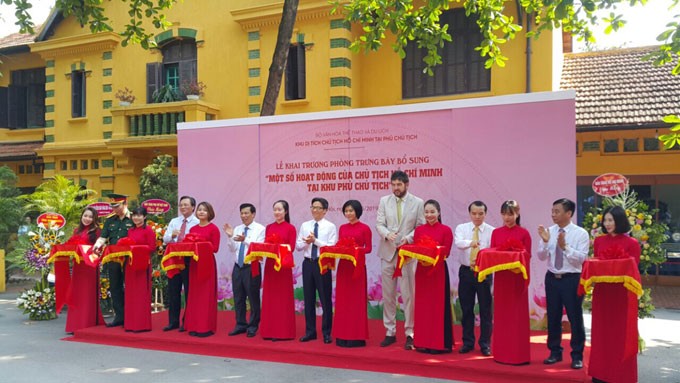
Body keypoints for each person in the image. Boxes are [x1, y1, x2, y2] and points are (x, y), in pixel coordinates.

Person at [589, 205, 641, 383]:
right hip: (602, 294)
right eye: (605, 220)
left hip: (622, 297)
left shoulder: (632, 244)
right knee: (601, 335)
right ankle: (600, 374)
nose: (607, 223)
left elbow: (634, 272)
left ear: (620, 221)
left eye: (611, 220)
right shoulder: (599, 241)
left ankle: (621, 376)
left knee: (621, 335)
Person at [537, 198, 589, 369]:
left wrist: (565, 247)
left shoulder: (580, 233)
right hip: (552, 278)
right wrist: (545, 242)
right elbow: (541, 257)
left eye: (557, 211)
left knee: (575, 317)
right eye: (552, 211)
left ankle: (577, 355)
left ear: (568, 213)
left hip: (571, 279)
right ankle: (554, 352)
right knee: (553, 317)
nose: (553, 214)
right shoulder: (548, 231)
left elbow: (581, 259)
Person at [376, 170, 424, 350]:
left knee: (408, 295)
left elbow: (420, 226)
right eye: (393, 184)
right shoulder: (384, 201)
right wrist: (387, 234)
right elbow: (379, 223)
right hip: (388, 253)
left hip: (407, 255)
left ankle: (410, 333)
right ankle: (390, 331)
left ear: (406, 184)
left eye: (399, 185)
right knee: (388, 295)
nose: (395, 188)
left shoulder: (418, 202)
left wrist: (409, 238)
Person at [489, 200, 532, 365]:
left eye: (511, 214)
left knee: (517, 317)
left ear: (517, 214)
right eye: (504, 214)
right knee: (502, 316)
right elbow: (492, 255)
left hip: (517, 281)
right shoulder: (496, 233)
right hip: (501, 280)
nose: (507, 217)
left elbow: (527, 258)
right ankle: (500, 354)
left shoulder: (524, 233)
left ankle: (518, 355)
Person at [413, 199, 454, 353]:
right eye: (427, 212)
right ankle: (422, 341)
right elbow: (416, 248)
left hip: (438, 272)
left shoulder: (446, 230)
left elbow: (447, 252)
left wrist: (433, 252)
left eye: (432, 212)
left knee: (437, 307)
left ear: (439, 212)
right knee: (423, 306)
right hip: (422, 271)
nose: (429, 215)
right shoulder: (419, 230)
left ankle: (438, 343)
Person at [455, 201, 494, 356]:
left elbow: (493, 251)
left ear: (485, 213)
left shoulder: (492, 231)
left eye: (480, 213)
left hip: (484, 272)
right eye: (474, 213)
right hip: (466, 273)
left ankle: (485, 343)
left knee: (485, 309)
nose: (477, 217)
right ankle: (467, 342)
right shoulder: (462, 228)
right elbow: (458, 243)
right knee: (466, 309)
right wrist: (472, 243)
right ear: (469, 213)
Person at [296, 197, 337, 344]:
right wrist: (305, 242)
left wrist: (316, 241)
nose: (315, 210)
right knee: (308, 298)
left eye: (319, 208)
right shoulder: (305, 225)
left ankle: (326, 333)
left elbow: (331, 248)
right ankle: (310, 332)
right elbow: (298, 246)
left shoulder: (330, 227)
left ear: (325, 210)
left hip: (322, 263)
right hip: (308, 263)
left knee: (325, 299)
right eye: (313, 207)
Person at [333, 200, 372, 347]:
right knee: (343, 301)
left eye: (351, 211)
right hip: (343, 266)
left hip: (357, 267)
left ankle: (356, 336)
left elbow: (368, 248)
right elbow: (339, 244)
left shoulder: (365, 228)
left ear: (358, 211)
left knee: (356, 302)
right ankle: (342, 335)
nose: (348, 213)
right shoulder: (342, 228)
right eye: (346, 211)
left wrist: (355, 250)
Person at [223, 203, 265, 337]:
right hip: (238, 267)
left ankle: (253, 325)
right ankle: (240, 324)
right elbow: (233, 249)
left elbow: (258, 247)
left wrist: (245, 239)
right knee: (238, 297)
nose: (244, 216)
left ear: (253, 214)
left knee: (253, 297)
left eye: (247, 213)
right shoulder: (237, 228)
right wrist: (230, 236)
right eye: (242, 213)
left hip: (251, 265)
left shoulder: (260, 229)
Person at [93, 193, 134, 328]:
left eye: (117, 206)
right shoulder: (110, 220)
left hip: (129, 258)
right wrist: (96, 247)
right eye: (113, 206)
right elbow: (103, 237)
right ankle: (119, 316)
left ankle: (131, 315)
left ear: (125, 204)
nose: (114, 209)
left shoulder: (134, 218)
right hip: (113, 258)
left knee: (130, 286)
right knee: (115, 286)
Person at [260, 200, 297, 341]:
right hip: (270, 266)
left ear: (286, 212)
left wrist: (277, 247)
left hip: (283, 266)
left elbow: (291, 248)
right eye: (275, 209)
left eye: (280, 210)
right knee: (270, 298)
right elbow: (265, 244)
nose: (277, 212)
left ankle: (283, 332)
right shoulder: (269, 227)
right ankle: (269, 330)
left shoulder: (290, 228)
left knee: (282, 299)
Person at [64, 207, 104, 333]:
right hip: (78, 266)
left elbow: (99, 249)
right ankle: (74, 324)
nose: (87, 219)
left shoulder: (97, 231)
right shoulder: (77, 230)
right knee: (76, 294)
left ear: (94, 219)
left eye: (90, 217)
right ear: (81, 216)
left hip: (90, 266)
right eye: (85, 216)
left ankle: (86, 324)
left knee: (87, 294)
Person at [162, 196, 199, 332]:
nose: (183, 207)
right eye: (181, 205)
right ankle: (173, 321)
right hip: (174, 259)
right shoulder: (174, 221)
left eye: (186, 205)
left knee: (189, 291)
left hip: (189, 260)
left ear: (193, 207)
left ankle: (187, 321)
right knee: (173, 291)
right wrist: (172, 235)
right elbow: (165, 239)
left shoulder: (197, 222)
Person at [184, 201, 221, 337]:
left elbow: (215, 248)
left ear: (209, 213)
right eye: (199, 210)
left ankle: (205, 327)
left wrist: (201, 245)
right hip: (194, 264)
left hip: (207, 264)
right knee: (195, 295)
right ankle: (194, 326)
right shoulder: (193, 229)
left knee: (206, 296)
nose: (201, 212)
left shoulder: (213, 229)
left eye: (204, 210)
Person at [124, 207, 156, 332]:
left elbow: (152, 247)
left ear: (144, 217)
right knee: (131, 293)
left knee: (141, 294)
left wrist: (136, 248)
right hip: (130, 265)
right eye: (134, 215)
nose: (136, 218)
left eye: (139, 215)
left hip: (142, 265)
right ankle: (130, 324)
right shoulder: (130, 230)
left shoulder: (148, 231)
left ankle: (141, 324)